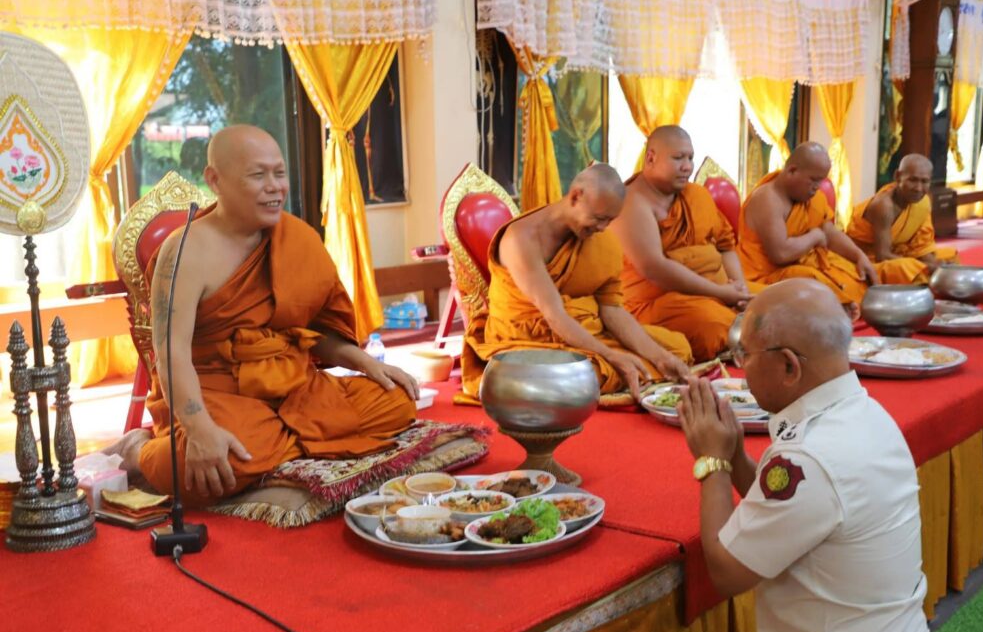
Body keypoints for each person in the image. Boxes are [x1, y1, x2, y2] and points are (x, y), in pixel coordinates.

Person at [106, 125, 418, 506]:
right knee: (221, 462)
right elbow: (171, 354)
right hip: (217, 392)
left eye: (279, 173)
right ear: (215, 180)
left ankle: (277, 444)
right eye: (258, 175)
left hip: (292, 385)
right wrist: (199, 428)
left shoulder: (297, 239)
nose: (275, 187)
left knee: (397, 402)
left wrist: (369, 365)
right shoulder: (184, 252)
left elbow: (311, 335)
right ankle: (139, 449)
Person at [674, 278, 936, 632]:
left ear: (789, 366)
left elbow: (727, 573)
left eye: (745, 355)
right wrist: (736, 455)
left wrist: (712, 461)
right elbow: (797, 513)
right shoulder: (863, 412)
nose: (741, 369)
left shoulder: (809, 456)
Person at [461, 163, 692, 405]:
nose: (602, 228)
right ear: (575, 197)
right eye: (599, 218)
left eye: (609, 220)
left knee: (673, 350)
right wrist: (612, 356)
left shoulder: (602, 241)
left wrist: (659, 356)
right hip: (526, 341)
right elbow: (554, 315)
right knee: (586, 375)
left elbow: (612, 309)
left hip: (581, 332)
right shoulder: (521, 239)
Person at [609, 126, 753, 361]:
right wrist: (721, 293)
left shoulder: (697, 195)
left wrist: (740, 291)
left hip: (717, 291)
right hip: (655, 304)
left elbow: (726, 246)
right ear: (651, 158)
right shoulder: (632, 204)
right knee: (714, 325)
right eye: (678, 158)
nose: (687, 166)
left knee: (773, 302)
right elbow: (655, 268)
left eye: (690, 158)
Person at [737, 142, 878, 308]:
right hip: (763, 277)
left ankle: (847, 304)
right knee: (812, 283)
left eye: (821, 181)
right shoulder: (768, 199)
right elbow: (780, 254)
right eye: (813, 180)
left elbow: (830, 233)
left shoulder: (810, 198)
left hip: (800, 267)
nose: (817, 187)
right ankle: (841, 307)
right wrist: (814, 237)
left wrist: (859, 256)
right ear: (792, 171)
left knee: (856, 275)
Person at [848, 154, 958, 283]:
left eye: (924, 181)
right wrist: (927, 267)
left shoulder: (923, 202)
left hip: (899, 253)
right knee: (908, 268)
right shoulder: (884, 206)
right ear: (898, 177)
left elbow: (920, 247)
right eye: (912, 180)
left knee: (950, 258)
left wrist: (935, 264)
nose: (918, 188)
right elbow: (882, 256)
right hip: (866, 259)